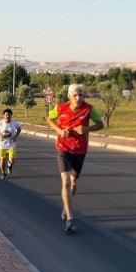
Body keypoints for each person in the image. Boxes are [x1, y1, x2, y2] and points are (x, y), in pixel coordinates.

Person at [47, 84, 104, 234]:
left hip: (80, 149)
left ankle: (67, 206)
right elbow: (49, 119)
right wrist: (59, 131)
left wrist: (86, 129)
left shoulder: (89, 109)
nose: (79, 98)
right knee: (65, 181)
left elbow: (101, 124)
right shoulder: (60, 107)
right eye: (76, 95)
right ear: (69, 96)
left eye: (81, 95)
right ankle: (70, 218)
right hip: (63, 148)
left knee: (73, 182)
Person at [0, 108, 22, 179]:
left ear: (11, 115)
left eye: (9, 115)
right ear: (3, 115)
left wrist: (15, 137)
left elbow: (19, 129)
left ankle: (9, 166)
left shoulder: (14, 123)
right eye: (6, 115)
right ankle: (3, 172)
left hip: (11, 144)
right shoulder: (0, 123)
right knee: (2, 160)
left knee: (12, 161)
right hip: (2, 145)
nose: (7, 116)